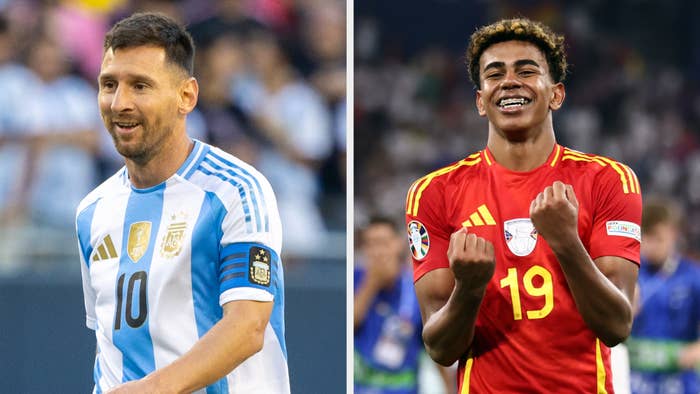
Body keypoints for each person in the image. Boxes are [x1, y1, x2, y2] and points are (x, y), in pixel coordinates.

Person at [404, 18, 641, 392]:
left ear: (556, 95)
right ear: (481, 101)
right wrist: (469, 288)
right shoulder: (434, 193)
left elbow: (616, 326)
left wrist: (566, 242)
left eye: (527, 71)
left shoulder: (609, 181)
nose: (509, 81)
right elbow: (440, 347)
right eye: (494, 73)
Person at [75, 13, 289, 393]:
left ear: (186, 96)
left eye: (140, 86)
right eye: (109, 85)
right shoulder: (92, 212)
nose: (119, 102)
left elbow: (247, 327)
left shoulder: (235, 191)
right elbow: (108, 349)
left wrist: (153, 389)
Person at [354, 216, 453, 394]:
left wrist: (449, 388)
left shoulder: (416, 288)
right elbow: (347, 327)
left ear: (398, 243)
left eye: (383, 242)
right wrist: (371, 285)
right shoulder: (356, 279)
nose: (378, 251)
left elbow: (436, 347)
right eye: (370, 244)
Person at [628, 198, 700, 394]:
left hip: (679, 382)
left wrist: (696, 350)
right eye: (646, 237)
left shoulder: (693, 277)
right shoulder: (629, 273)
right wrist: (623, 309)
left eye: (658, 238)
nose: (651, 246)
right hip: (635, 380)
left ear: (673, 235)